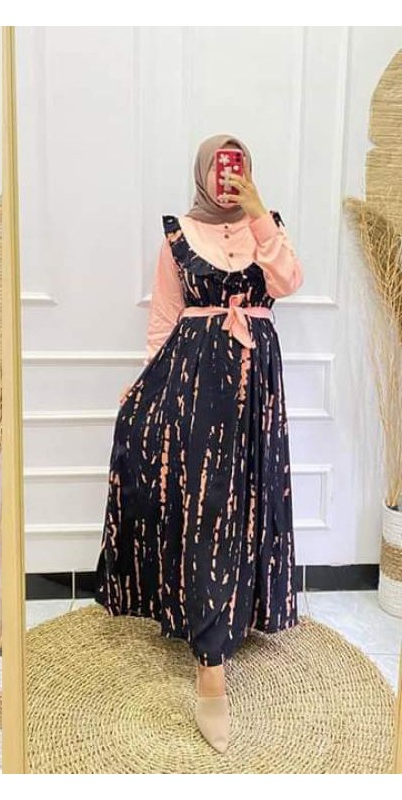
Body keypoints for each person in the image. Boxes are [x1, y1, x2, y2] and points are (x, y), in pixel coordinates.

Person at [95, 133, 303, 754]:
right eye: (219, 166)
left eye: (236, 166)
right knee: (209, 507)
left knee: (250, 499)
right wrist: (144, 386)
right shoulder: (177, 236)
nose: (227, 176)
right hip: (195, 387)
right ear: (203, 172)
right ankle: (210, 666)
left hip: (257, 390)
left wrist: (258, 210)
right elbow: (164, 320)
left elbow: (288, 281)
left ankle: (239, 612)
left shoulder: (269, 227)